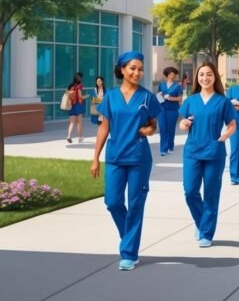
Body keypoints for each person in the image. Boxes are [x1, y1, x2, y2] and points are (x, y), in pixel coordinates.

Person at [90, 51, 160, 271]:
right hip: (115, 157)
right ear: (122, 70)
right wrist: (95, 158)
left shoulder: (147, 97)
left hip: (139, 157)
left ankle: (129, 253)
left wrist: (147, 130)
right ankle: (129, 237)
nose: (137, 72)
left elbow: (153, 125)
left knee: (136, 204)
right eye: (132, 68)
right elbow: (104, 127)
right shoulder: (110, 96)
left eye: (140, 69)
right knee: (112, 202)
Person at [178, 62, 236, 247]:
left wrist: (226, 134)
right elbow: (182, 123)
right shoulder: (191, 100)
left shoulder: (223, 101)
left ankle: (206, 233)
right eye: (201, 74)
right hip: (193, 152)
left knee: (211, 194)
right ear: (197, 78)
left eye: (209, 74)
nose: (205, 78)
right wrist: (184, 124)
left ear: (215, 77)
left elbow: (232, 124)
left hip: (214, 152)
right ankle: (202, 222)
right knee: (190, 191)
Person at [158, 67, 183, 156]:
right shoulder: (161, 85)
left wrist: (170, 98)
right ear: (167, 74)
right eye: (172, 73)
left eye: (174, 73)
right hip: (161, 109)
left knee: (170, 129)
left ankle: (170, 146)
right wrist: (159, 97)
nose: (173, 75)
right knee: (162, 128)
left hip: (172, 110)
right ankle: (163, 149)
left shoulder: (177, 86)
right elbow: (159, 94)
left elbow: (180, 98)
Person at [66, 72, 88, 143]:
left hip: (71, 105)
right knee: (79, 122)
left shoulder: (71, 85)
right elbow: (80, 96)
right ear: (80, 78)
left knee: (72, 122)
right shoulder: (79, 86)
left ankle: (69, 135)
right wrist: (87, 96)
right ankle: (80, 137)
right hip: (78, 105)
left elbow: (67, 93)